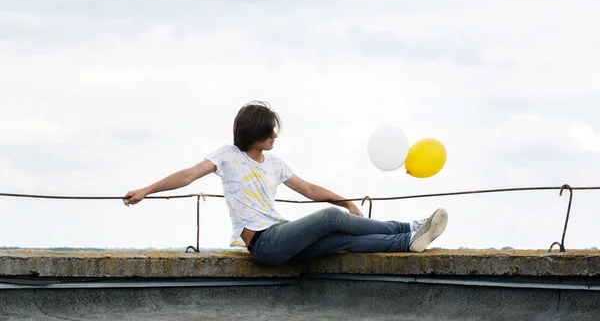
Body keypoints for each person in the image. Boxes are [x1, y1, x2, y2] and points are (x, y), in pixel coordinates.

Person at [123, 101, 448, 266]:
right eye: (269, 132)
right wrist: (146, 191)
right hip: (265, 244)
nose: (275, 136)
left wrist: (346, 201)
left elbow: (309, 190)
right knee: (330, 220)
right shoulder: (227, 156)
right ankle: (409, 225)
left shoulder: (275, 164)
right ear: (254, 134)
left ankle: (408, 240)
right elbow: (186, 176)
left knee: (340, 240)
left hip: (282, 236)